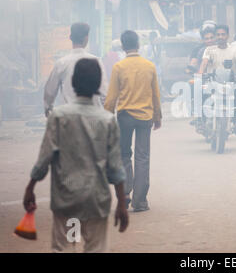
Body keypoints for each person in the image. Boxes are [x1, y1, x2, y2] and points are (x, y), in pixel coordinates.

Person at [22, 58, 128, 253]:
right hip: (96, 201)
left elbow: (44, 158)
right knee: (95, 248)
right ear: (98, 84)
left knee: (65, 248)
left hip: (67, 200)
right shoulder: (107, 120)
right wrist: (121, 203)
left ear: (73, 82)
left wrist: (30, 187)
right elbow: (115, 168)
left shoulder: (59, 116)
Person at [104, 30, 162, 212]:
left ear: (122, 46)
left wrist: (107, 118)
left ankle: (125, 193)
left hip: (125, 116)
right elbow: (155, 94)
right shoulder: (149, 66)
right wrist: (157, 116)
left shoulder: (118, 67)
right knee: (143, 157)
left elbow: (111, 97)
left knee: (123, 155)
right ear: (138, 44)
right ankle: (140, 200)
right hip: (145, 117)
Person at [44, 22, 108, 117]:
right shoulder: (96, 61)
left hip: (69, 118)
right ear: (86, 38)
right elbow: (103, 92)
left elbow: (50, 91)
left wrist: (48, 107)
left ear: (71, 38)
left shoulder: (61, 63)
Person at [198, 25, 236, 135]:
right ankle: (201, 122)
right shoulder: (209, 50)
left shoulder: (234, 49)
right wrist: (200, 74)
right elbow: (204, 63)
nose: (220, 37)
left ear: (227, 36)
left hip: (230, 82)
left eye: (223, 34)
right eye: (218, 35)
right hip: (212, 81)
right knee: (201, 93)